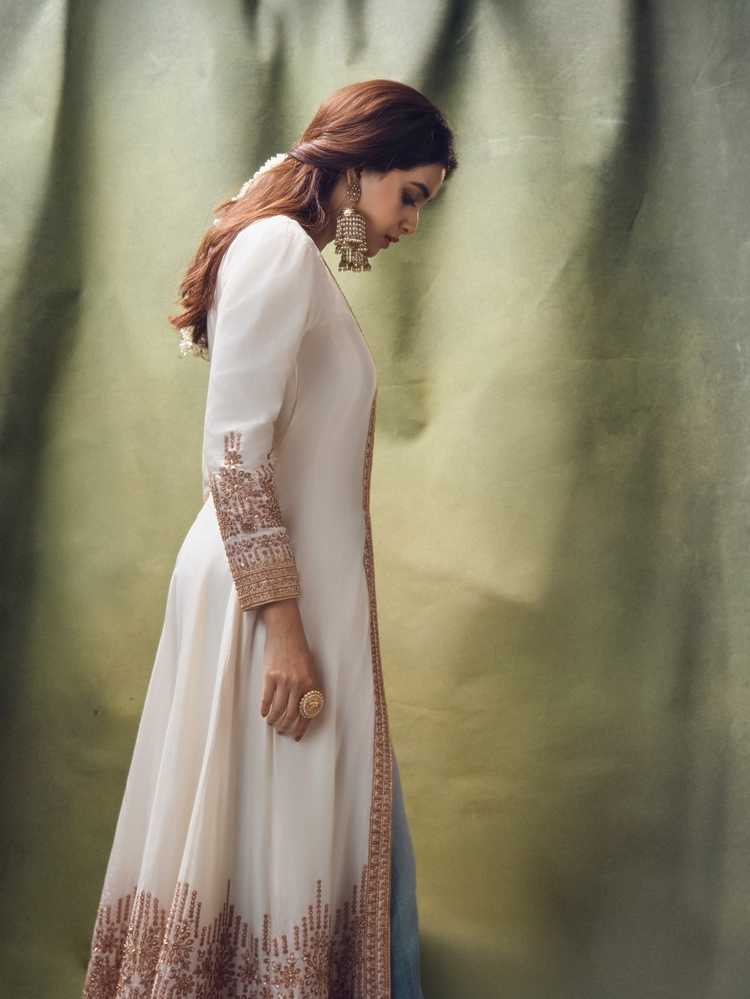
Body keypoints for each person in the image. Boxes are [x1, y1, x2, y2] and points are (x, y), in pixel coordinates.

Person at [80, 79, 457, 999]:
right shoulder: (279, 248)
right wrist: (284, 633)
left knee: (307, 840)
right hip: (267, 606)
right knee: (271, 846)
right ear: (360, 165)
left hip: (283, 594)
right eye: (410, 194)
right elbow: (234, 456)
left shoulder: (289, 253)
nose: (411, 223)